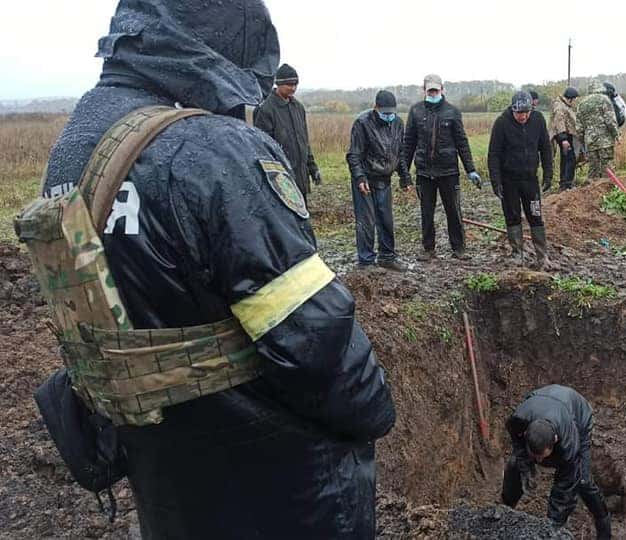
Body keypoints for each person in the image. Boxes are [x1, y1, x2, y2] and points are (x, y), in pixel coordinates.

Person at [34, 1, 395, 537]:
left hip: (169, 490)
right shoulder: (214, 152)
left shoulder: (74, 150)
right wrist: (375, 409)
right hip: (284, 494)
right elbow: (314, 339)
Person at [502, 385, 611, 540]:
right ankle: (505, 509)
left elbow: (565, 487)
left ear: (555, 440)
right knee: (515, 466)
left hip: (579, 416)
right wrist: (525, 465)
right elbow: (518, 444)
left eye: (543, 457)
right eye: (536, 457)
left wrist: (552, 526)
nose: (539, 461)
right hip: (542, 403)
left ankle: (604, 526)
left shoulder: (569, 444)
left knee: (583, 480)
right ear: (526, 433)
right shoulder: (517, 420)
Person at [403, 73, 483, 261]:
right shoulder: (415, 111)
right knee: (426, 212)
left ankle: (459, 248)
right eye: (429, 90)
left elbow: (462, 142)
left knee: (453, 211)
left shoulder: (452, 112)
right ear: (424, 90)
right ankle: (428, 249)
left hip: (448, 171)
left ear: (442, 90)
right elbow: (408, 143)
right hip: (424, 172)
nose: (432, 93)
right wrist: (404, 172)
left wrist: (470, 169)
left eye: (435, 90)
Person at [346, 90, 412, 271]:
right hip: (366, 179)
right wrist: (359, 178)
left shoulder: (398, 123)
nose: (389, 116)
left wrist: (405, 177)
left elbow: (400, 153)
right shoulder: (362, 123)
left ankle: (387, 257)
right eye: (385, 112)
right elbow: (354, 155)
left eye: (392, 112)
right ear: (376, 108)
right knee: (366, 220)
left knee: (386, 218)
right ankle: (366, 261)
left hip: (385, 178)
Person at [488, 91, 554, 267]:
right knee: (512, 215)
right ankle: (517, 253)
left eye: (526, 113)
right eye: (519, 113)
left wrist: (548, 174)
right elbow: (493, 154)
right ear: (513, 110)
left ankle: (542, 255)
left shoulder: (538, 120)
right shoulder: (502, 123)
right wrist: (496, 181)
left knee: (535, 215)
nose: (523, 117)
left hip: (530, 179)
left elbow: (546, 148)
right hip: (509, 180)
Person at [254, 63, 322, 198]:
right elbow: (262, 148)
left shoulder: (299, 108)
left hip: (300, 176)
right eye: (289, 84)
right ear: (278, 84)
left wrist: (313, 168)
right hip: (280, 177)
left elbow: (304, 143)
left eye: (295, 84)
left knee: (302, 214)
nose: (293, 88)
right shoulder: (265, 110)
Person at [577, 80, 620, 181]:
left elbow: (579, 128)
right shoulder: (604, 100)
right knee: (607, 168)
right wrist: (616, 135)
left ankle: (592, 193)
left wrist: (583, 141)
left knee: (593, 169)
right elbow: (610, 121)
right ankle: (607, 192)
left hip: (590, 142)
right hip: (605, 141)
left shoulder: (581, 104)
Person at [550, 87, 580, 191]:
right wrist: (564, 139)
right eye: (575, 99)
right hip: (563, 135)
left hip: (566, 135)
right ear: (570, 98)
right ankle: (567, 184)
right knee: (570, 159)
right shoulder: (560, 107)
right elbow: (559, 122)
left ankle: (564, 183)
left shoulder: (564, 105)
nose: (575, 101)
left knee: (566, 159)